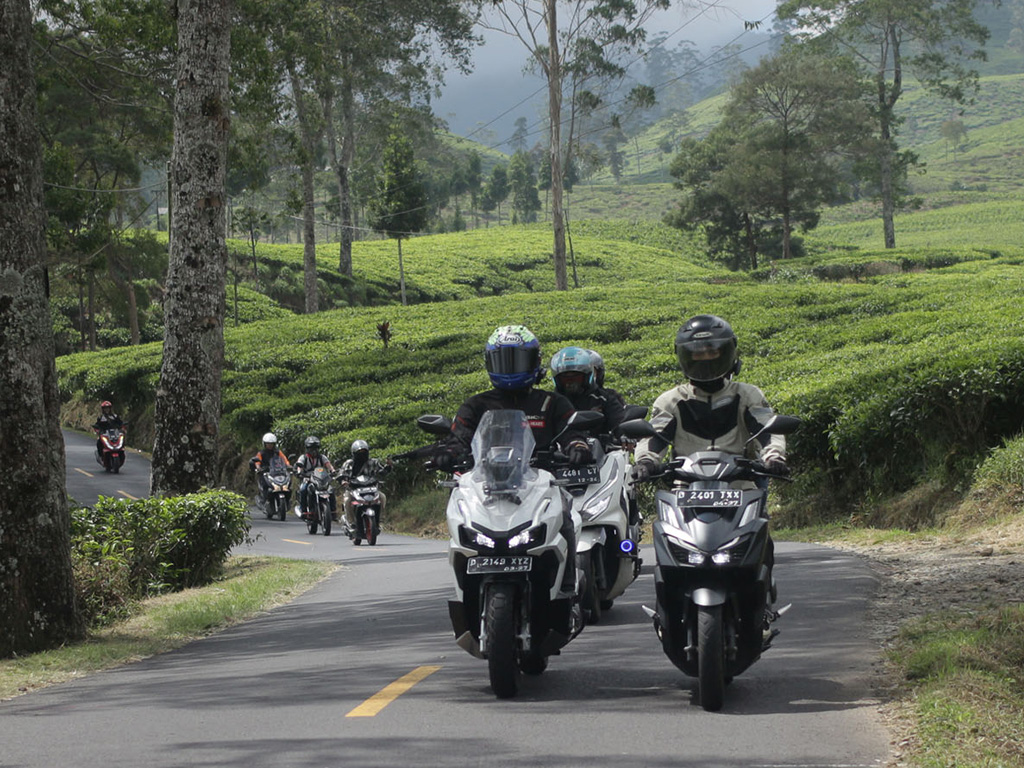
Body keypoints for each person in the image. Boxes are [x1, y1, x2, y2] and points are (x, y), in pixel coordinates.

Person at [632, 314, 788, 597]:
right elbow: (654, 438)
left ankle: (761, 601)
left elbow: (767, 430)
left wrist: (773, 457)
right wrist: (645, 462)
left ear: (728, 352)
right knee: (667, 552)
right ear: (683, 358)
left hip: (739, 487)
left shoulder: (748, 395)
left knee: (763, 545)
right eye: (697, 354)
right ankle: (669, 604)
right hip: (685, 491)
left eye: (712, 351)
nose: (705, 359)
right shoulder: (670, 401)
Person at [434, 324, 590, 595]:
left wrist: (577, 446)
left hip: (540, 484)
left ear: (534, 362)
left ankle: (567, 586)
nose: (509, 368)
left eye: (516, 360)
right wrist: (447, 453)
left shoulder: (551, 403)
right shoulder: (476, 405)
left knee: (567, 512)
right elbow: (458, 438)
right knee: (461, 521)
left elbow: (572, 432)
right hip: (485, 487)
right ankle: (465, 590)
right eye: (502, 361)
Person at [550, 346, 625, 437]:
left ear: (587, 376)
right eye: (565, 378)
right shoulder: (549, 402)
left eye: (576, 377)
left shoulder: (604, 398)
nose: (571, 382)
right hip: (558, 448)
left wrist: (623, 435)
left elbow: (619, 422)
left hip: (599, 448)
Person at [338, 439, 392, 528]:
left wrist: (388, 467)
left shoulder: (373, 462)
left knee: (382, 497)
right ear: (354, 453)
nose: (362, 455)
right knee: (347, 500)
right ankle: (351, 522)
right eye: (359, 453)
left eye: (364, 452)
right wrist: (343, 481)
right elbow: (341, 474)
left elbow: (382, 472)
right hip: (353, 489)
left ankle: (380, 520)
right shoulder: (349, 463)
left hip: (371, 489)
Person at [293, 436, 337, 521]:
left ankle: (333, 512)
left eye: (316, 448)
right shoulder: (303, 458)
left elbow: (328, 465)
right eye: (311, 448)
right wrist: (299, 472)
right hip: (308, 478)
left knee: (331, 490)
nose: (314, 451)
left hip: (321, 480)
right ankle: (304, 510)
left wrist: (333, 470)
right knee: (303, 489)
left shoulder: (322, 457)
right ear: (307, 449)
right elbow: (299, 466)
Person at [248, 432, 291, 506]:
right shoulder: (261, 453)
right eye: (268, 443)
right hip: (266, 473)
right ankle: (264, 500)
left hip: (277, 472)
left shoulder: (278, 452)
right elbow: (257, 462)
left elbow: (284, 459)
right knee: (265, 485)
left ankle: (287, 501)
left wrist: (288, 465)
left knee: (288, 485)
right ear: (264, 444)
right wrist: (258, 468)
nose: (270, 445)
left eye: (271, 443)